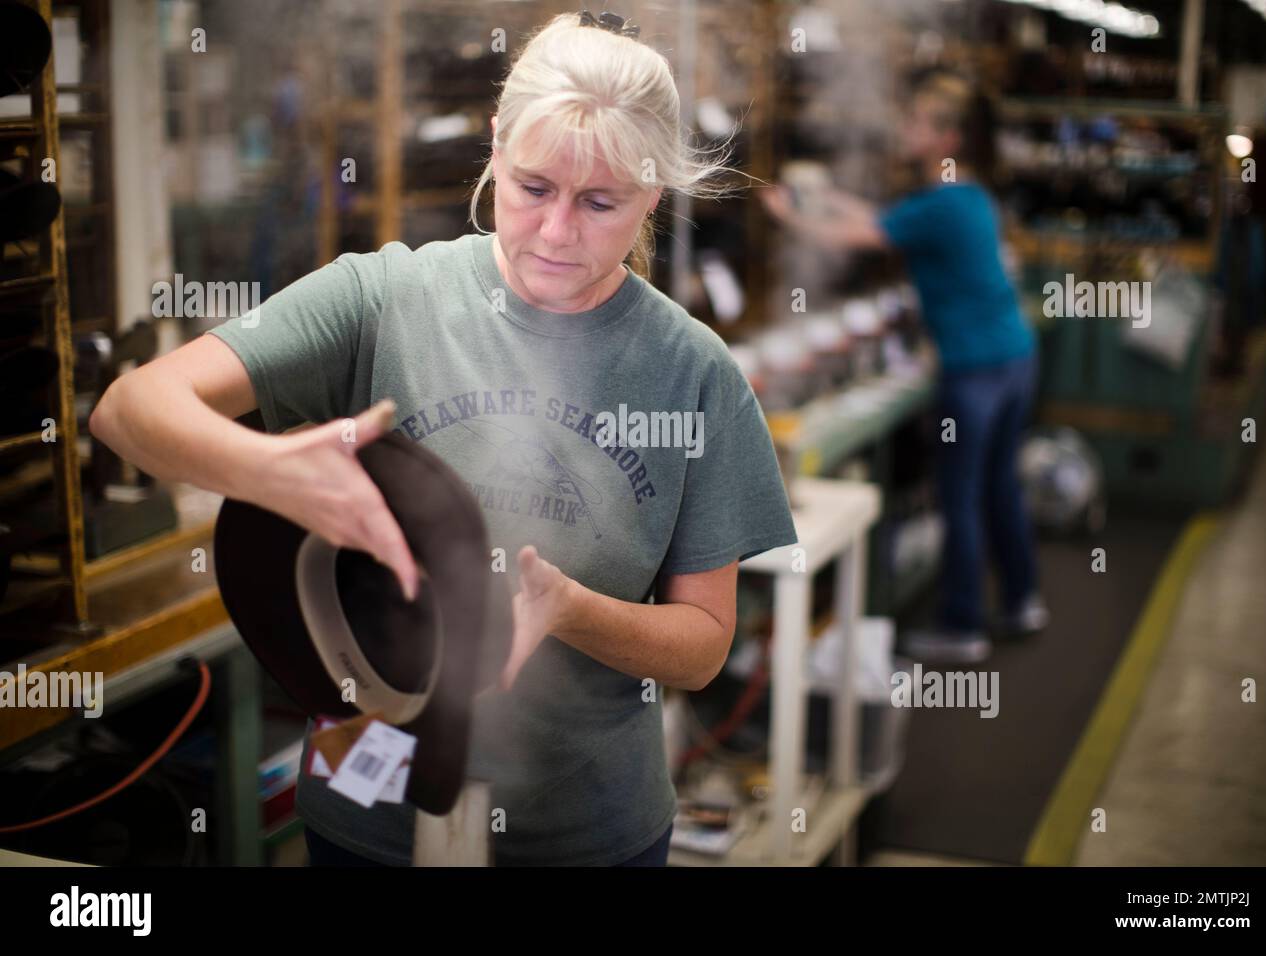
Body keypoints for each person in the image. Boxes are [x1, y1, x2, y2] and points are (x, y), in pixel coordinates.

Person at [90, 11, 796, 866]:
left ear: (653, 193)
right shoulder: (386, 298)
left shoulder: (692, 372)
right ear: (495, 145)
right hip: (370, 823)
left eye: (601, 202)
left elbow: (702, 648)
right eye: (533, 187)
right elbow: (129, 409)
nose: (557, 231)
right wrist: (273, 470)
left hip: (584, 837)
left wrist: (572, 610)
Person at [761, 67, 1047, 663]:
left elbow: (858, 237)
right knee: (999, 488)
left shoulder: (940, 207)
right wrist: (829, 198)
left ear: (947, 138)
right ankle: (1022, 600)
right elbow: (883, 217)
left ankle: (962, 624)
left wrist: (789, 216)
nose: (905, 128)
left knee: (959, 496)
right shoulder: (967, 196)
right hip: (1015, 361)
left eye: (917, 121)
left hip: (975, 372)